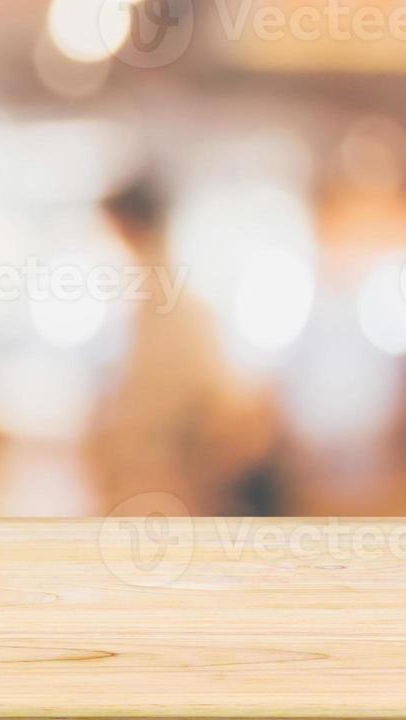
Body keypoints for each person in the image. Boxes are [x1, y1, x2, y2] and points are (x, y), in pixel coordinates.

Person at [87, 178, 287, 515]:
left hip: (168, 491)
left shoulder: (173, 307)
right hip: (159, 488)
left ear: (128, 227)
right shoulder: (157, 303)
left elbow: (214, 412)